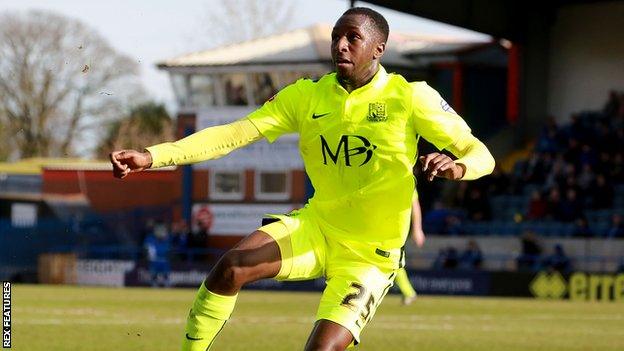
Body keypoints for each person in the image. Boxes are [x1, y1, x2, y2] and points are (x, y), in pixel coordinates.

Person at [110, 7, 495, 350]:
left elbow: (482, 154)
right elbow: (235, 134)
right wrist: (153, 156)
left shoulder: (411, 98)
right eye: (336, 37)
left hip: (370, 258)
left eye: (353, 38)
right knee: (231, 268)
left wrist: (458, 166)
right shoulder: (306, 97)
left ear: (378, 49)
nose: (340, 45)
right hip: (317, 227)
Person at [394, 196, 425, 306]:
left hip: (394, 229)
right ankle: (408, 292)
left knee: (393, 260)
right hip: (386, 225)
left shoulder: (406, 179)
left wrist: (417, 229)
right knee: (393, 261)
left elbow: (415, 204)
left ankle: (409, 292)